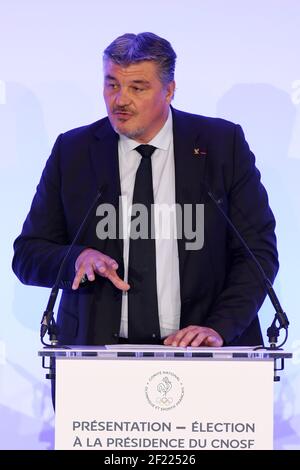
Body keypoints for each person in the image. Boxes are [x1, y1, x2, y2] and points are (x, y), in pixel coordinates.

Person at [12, 32, 278, 349]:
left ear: (169, 91)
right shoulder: (74, 152)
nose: (120, 100)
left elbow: (257, 253)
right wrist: (76, 257)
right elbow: (27, 254)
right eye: (112, 85)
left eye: (137, 88)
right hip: (96, 358)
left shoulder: (220, 145)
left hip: (204, 354)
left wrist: (218, 327)